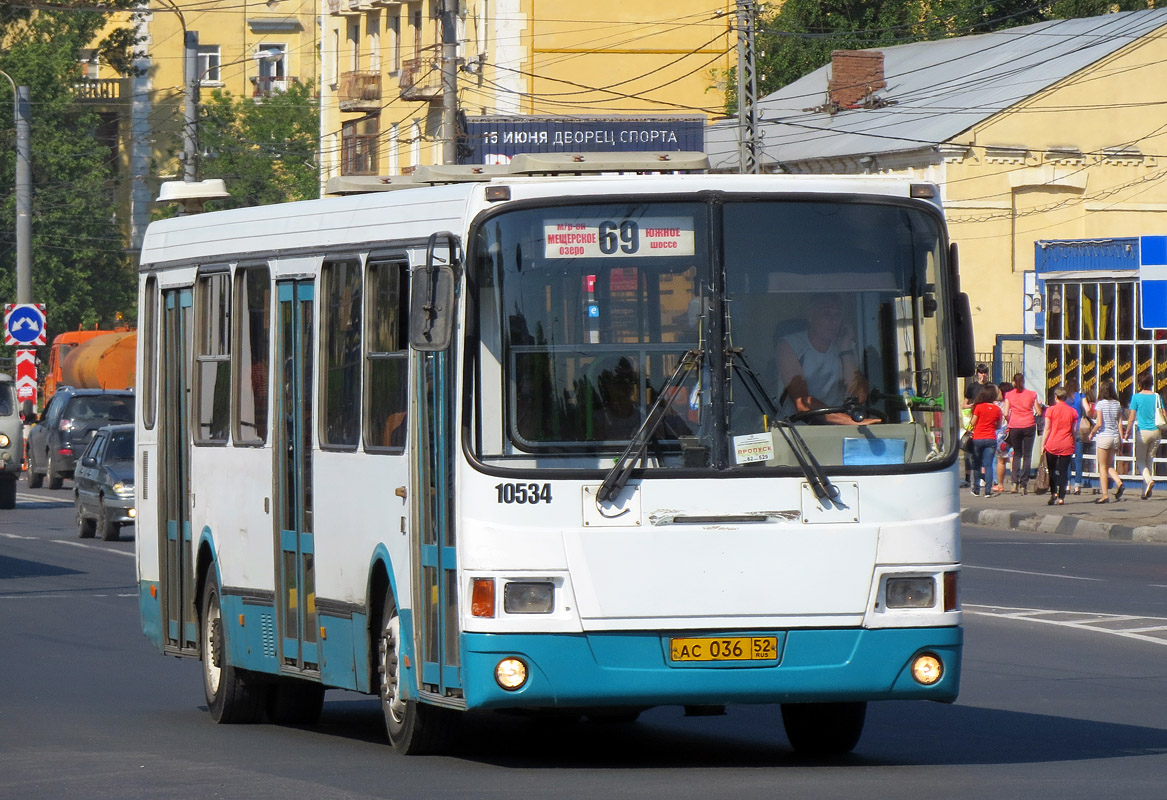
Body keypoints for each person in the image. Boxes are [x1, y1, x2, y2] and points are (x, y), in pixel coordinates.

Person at [776, 294, 871, 425]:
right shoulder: (790, 345)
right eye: (826, 314)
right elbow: (802, 403)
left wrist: (845, 350)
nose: (833, 320)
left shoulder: (846, 347)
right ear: (810, 317)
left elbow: (859, 397)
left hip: (839, 428)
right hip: (797, 429)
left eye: (837, 315)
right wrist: (850, 421)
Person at [1004, 373, 1043, 494]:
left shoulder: (1009, 395)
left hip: (1015, 426)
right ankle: (1023, 485)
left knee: (1017, 454)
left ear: (1014, 382)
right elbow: (1039, 412)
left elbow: (1006, 413)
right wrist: (1039, 405)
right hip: (1029, 425)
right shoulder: (1032, 394)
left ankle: (1014, 483)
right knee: (1027, 455)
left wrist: (1011, 421)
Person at [1124, 373, 1161, 500]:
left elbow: (1131, 417)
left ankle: (1149, 480)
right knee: (1149, 460)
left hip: (1143, 432)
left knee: (1140, 460)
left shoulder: (1136, 397)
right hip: (1156, 432)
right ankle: (1145, 491)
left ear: (1140, 383)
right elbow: (1163, 413)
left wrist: (1127, 432)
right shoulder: (1157, 396)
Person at [1039, 385, 1078, 506]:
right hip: (1066, 444)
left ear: (1056, 397)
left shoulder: (1050, 410)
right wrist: (1074, 442)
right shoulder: (1072, 411)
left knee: (1052, 471)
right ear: (1065, 398)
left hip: (1052, 444)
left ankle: (1053, 493)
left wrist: (1042, 445)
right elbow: (1074, 430)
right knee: (1063, 471)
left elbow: (1047, 429)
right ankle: (1061, 497)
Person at [1090, 380, 1125, 504]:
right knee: (1109, 465)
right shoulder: (1117, 404)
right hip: (1115, 437)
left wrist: (1092, 433)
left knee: (1103, 467)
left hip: (1104, 437)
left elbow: (1099, 423)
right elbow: (1120, 423)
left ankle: (1105, 495)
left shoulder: (1100, 404)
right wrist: (1121, 440)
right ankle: (1119, 482)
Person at [967, 384, 1002, 497]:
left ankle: (976, 489)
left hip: (978, 438)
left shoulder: (979, 407)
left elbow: (972, 423)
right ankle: (988, 490)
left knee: (977, 464)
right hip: (991, 438)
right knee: (988, 465)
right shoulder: (997, 409)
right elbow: (998, 426)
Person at [961, 363, 991, 487]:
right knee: (969, 449)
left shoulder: (990, 387)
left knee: (983, 450)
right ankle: (968, 478)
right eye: (980, 372)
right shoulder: (972, 387)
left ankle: (982, 477)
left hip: (985, 421)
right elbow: (964, 404)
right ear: (977, 373)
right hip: (973, 420)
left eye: (984, 372)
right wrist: (973, 406)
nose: (982, 375)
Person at [993, 381, 1013, 494]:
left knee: (1001, 461)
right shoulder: (1014, 404)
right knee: (1013, 458)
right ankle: (1014, 484)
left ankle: (1000, 484)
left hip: (1000, 434)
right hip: (1012, 431)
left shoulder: (997, 405)